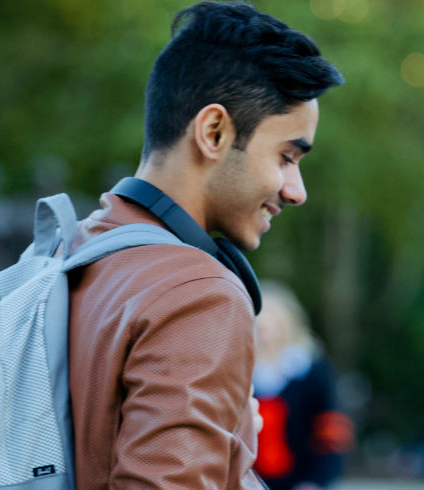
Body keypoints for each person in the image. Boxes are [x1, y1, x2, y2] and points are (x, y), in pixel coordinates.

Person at [64, 2, 343, 488]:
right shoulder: (200, 295)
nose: (297, 190)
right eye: (286, 156)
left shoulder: (78, 250)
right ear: (213, 132)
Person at [250, 283, 350, 490]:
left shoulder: (311, 371)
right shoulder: (238, 371)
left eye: (272, 316)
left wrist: (315, 481)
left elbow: (332, 432)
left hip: (301, 482)